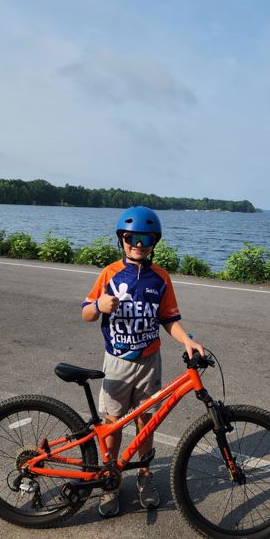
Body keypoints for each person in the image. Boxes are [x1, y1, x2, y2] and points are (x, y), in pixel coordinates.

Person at [81, 206, 204, 517]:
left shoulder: (160, 278)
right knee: (112, 424)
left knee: (146, 423)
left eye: (146, 238)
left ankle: (145, 475)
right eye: (132, 237)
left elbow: (169, 319)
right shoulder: (109, 274)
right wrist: (99, 304)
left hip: (149, 360)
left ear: (154, 242)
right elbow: (85, 313)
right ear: (122, 239)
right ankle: (111, 479)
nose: (139, 243)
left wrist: (187, 339)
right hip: (117, 361)